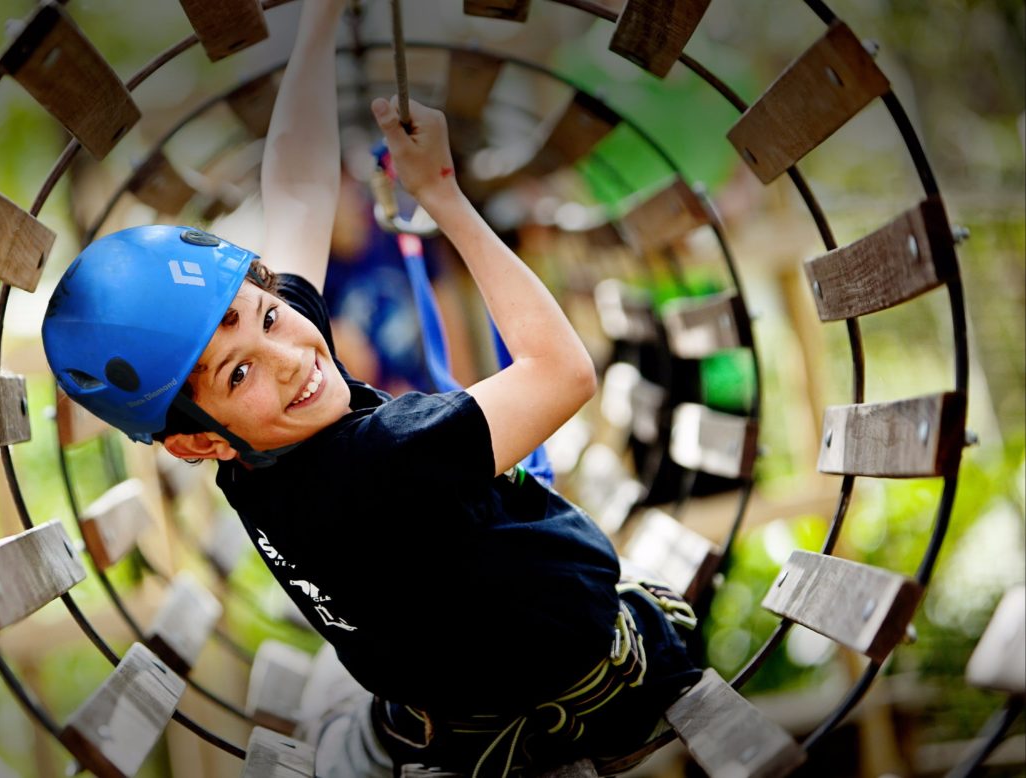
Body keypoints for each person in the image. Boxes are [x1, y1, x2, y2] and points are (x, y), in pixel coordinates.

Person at [41, 1, 700, 775]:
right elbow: (562, 373)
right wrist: (447, 197)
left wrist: (318, 22)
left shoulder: (256, 448)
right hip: (575, 690)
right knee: (676, 627)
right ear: (197, 440)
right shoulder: (379, 460)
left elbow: (295, 189)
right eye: (240, 371)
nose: (288, 353)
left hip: (438, 693)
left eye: (267, 312)